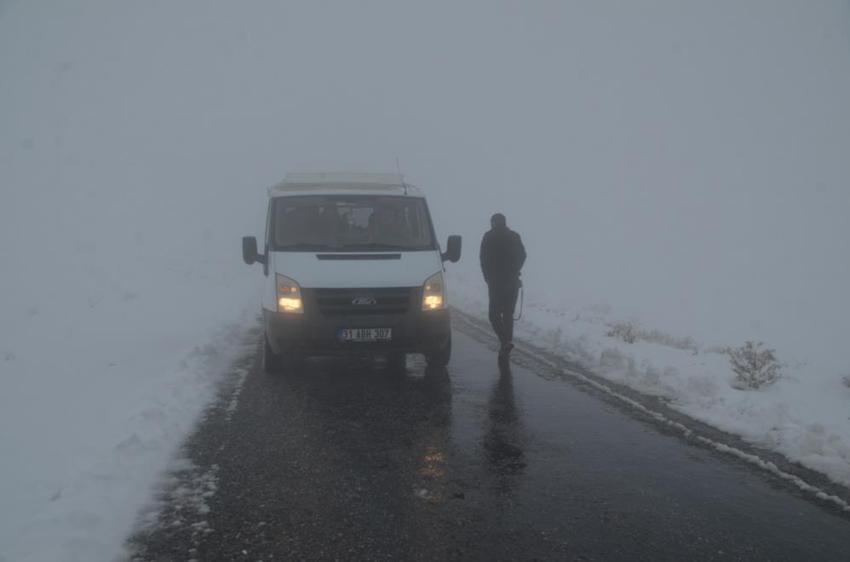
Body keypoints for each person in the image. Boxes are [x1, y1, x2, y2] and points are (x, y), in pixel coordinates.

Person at [480, 213, 526, 358]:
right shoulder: (514, 236)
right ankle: (507, 342)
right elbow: (523, 255)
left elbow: (483, 259)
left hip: (496, 282)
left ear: (493, 223)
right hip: (512, 281)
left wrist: (488, 277)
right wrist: (515, 271)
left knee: (494, 315)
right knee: (508, 314)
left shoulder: (488, 237)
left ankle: (505, 341)